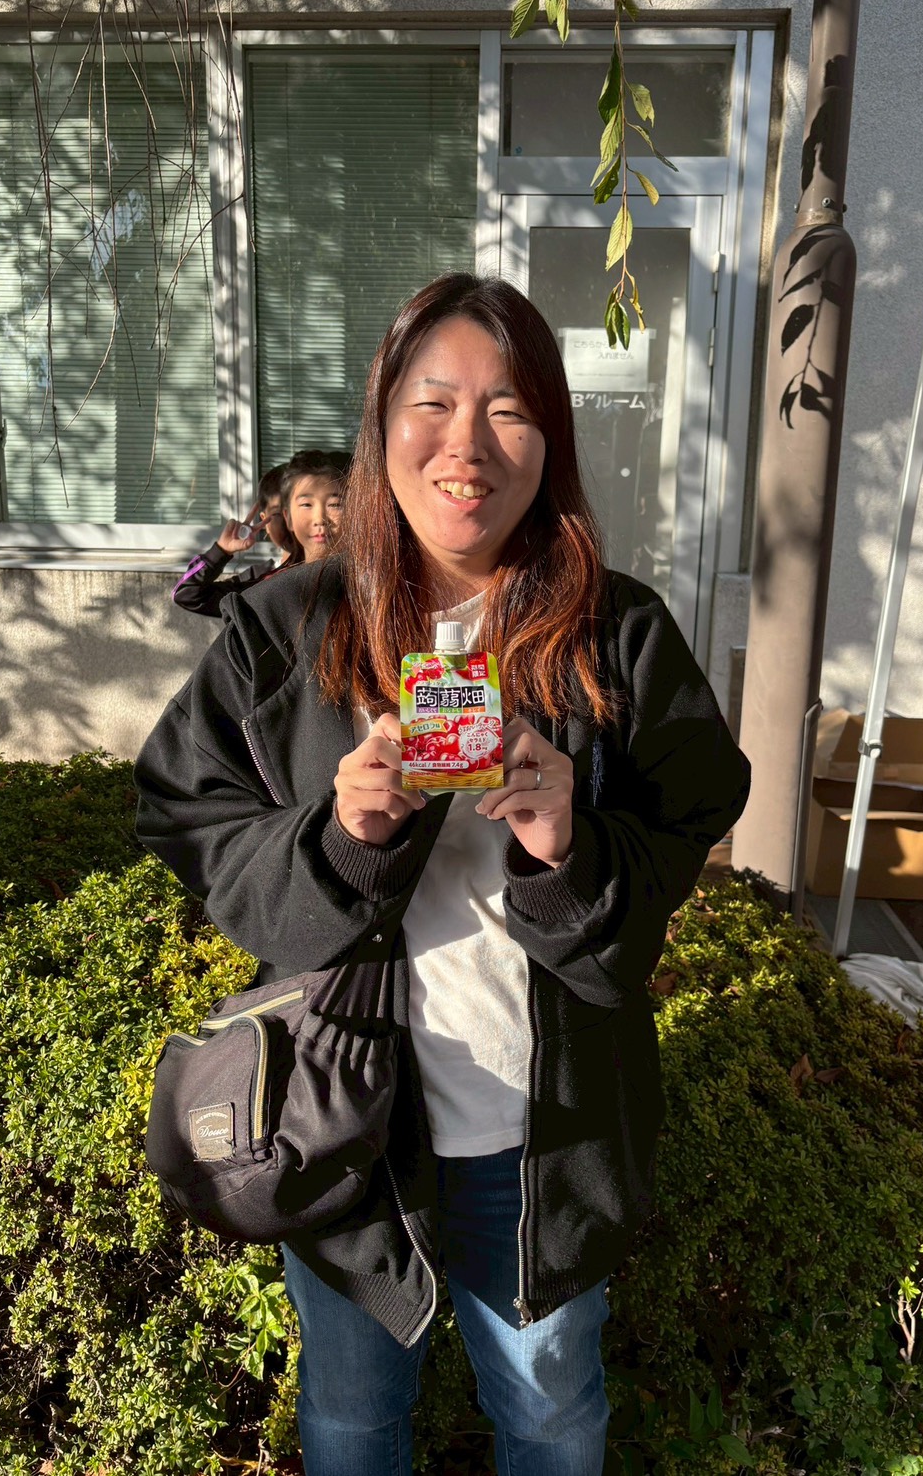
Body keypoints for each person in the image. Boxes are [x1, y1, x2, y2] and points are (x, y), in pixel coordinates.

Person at [134, 274, 750, 1475]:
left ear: (551, 441)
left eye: (509, 409)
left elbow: (691, 812)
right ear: (382, 425)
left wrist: (570, 844)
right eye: (433, 403)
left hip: (542, 1131)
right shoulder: (285, 627)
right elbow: (183, 812)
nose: (466, 443)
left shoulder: (617, 633)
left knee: (552, 1419)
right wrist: (337, 837)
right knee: (352, 1417)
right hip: (343, 1124)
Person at [171, 461, 294, 619]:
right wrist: (221, 551)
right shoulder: (257, 578)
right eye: (279, 513)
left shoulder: (324, 571)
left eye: (304, 507)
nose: (291, 522)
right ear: (265, 522)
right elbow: (187, 595)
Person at [278, 449, 350, 562]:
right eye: (306, 504)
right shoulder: (274, 575)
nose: (320, 519)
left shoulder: (373, 573)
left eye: (334, 504)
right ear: (288, 517)